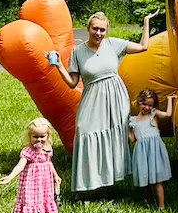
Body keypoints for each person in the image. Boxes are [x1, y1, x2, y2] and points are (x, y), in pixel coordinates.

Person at [48, 11, 153, 195]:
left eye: (102, 30)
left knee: (112, 137)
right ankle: (84, 186)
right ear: (88, 29)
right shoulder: (78, 52)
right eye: (95, 29)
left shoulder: (113, 44)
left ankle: (106, 186)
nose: (98, 33)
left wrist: (146, 22)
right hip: (92, 98)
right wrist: (58, 66)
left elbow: (144, 47)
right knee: (86, 132)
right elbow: (72, 83)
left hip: (116, 98)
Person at [0, 117, 62, 213]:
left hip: (44, 183)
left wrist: (55, 175)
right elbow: (20, 165)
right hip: (32, 184)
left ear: (48, 136)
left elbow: (49, 162)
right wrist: (10, 177)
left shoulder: (47, 149)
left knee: (41, 206)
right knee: (32, 205)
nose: (39, 139)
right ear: (29, 136)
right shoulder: (28, 151)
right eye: (35, 137)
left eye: (42, 136)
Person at [128, 89, 175, 209]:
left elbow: (168, 115)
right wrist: (126, 128)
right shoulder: (133, 121)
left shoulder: (153, 114)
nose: (147, 108)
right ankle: (148, 202)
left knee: (157, 181)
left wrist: (170, 100)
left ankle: (161, 206)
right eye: (145, 104)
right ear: (139, 102)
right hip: (142, 153)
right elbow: (132, 139)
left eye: (150, 105)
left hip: (154, 151)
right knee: (145, 180)